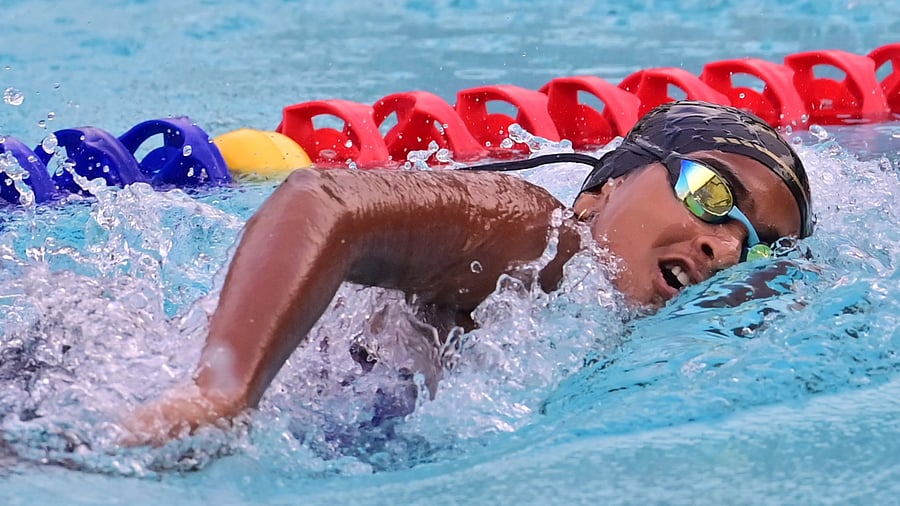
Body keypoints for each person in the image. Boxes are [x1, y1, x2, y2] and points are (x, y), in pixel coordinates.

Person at [123, 100, 813, 445]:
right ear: (603, 191)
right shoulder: (538, 237)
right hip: (125, 383)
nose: (724, 246)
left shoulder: (618, 342)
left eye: (757, 246)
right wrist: (222, 389)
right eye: (713, 195)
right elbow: (319, 199)